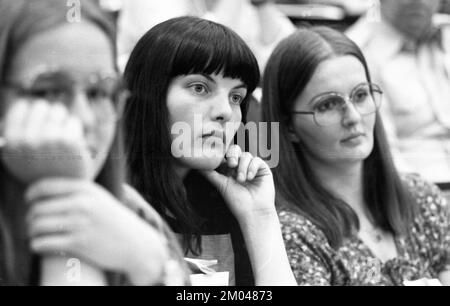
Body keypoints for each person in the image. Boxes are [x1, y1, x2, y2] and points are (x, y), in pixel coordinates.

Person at [0, 0, 188, 286]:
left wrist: (153, 267)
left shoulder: (132, 213)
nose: (84, 118)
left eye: (98, 93)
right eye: (48, 91)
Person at [261, 26, 450, 285]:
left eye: (361, 95)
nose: (353, 117)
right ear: (289, 126)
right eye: (327, 104)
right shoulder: (292, 233)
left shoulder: (421, 197)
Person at [123, 16, 296, 286]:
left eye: (236, 97)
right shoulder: (111, 203)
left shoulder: (228, 201)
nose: (225, 112)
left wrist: (259, 217)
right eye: (200, 88)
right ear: (150, 93)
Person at [346, 0, 450, 185]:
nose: (421, 1)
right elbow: (383, 158)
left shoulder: (445, 35)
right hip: (421, 190)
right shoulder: (355, 55)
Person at [116, 0, 295, 72]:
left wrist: (263, 6)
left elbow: (286, 63)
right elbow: (124, 59)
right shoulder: (147, 4)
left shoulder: (251, 7)